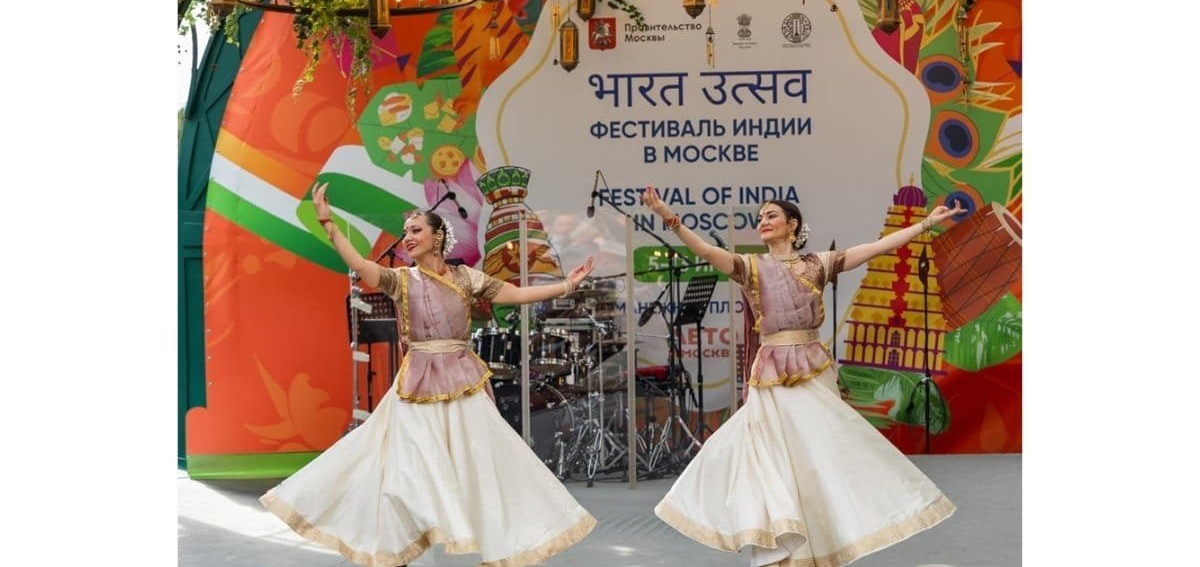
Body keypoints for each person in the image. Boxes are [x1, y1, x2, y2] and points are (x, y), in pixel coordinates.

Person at [260, 183, 597, 567]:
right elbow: (363, 267)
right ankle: (398, 547)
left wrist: (567, 285)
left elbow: (516, 294)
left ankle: (500, 538)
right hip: (416, 384)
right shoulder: (402, 279)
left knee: (488, 460)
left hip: (462, 381)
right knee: (399, 467)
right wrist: (329, 225)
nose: (407, 237)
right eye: (406, 231)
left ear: (438, 237)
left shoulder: (466, 278)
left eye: (416, 230)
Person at [642, 186, 963, 567]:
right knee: (773, 460)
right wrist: (666, 215)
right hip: (772, 376)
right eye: (760, 217)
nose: (763, 221)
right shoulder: (751, 266)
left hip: (812, 371)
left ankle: (824, 543)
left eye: (771, 215)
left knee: (821, 456)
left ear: (792, 225)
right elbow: (707, 252)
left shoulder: (818, 263)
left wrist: (925, 223)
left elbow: (876, 248)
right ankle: (782, 550)